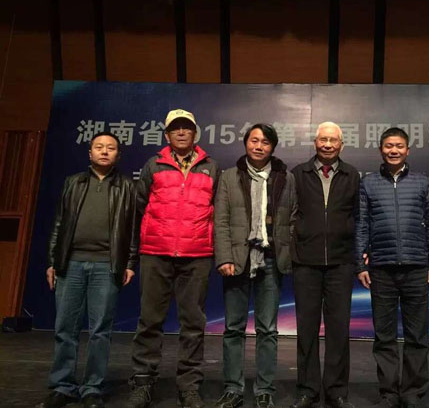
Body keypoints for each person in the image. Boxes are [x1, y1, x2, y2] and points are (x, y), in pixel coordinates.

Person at [37, 132, 137, 408]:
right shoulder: (73, 182)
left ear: (118, 154)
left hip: (106, 264)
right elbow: (59, 223)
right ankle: (62, 385)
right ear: (90, 152)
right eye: (99, 147)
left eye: (110, 148)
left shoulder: (127, 186)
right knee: (65, 328)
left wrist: (130, 262)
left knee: (100, 330)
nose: (104, 151)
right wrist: (53, 261)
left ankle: (92, 387)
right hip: (71, 264)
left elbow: (132, 228)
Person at [127, 109, 219, 408]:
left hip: (196, 255)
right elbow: (139, 207)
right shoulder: (153, 165)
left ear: (195, 133)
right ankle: (142, 383)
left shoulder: (211, 167)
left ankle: (189, 386)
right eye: (175, 128)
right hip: (156, 253)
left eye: (186, 128)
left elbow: (218, 211)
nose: (181, 132)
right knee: (149, 321)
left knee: (193, 324)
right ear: (167, 135)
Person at [356, 127, 429, 408]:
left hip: (417, 268)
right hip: (381, 269)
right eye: (389, 146)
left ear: (408, 150)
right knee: (384, 336)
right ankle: (389, 393)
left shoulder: (422, 182)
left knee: (417, 335)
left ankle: (412, 392)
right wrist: (360, 264)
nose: (394, 150)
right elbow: (362, 225)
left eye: (399, 146)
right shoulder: (368, 183)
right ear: (381, 149)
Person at [214, 124, 296, 408]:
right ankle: (233, 389)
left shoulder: (285, 177)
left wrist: (287, 249)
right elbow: (221, 220)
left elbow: (293, 218)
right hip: (238, 259)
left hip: (271, 259)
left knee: (268, 329)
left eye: (265, 142)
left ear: (273, 147)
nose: (259, 146)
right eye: (254, 140)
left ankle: (264, 390)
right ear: (245, 143)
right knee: (233, 328)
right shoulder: (229, 176)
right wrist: (224, 257)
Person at [290, 122, 360, 408]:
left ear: (341, 144)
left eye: (333, 140)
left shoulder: (352, 175)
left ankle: (336, 390)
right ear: (315, 142)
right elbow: (288, 214)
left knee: (338, 329)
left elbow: (359, 216)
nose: (328, 144)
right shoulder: (299, 173)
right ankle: (307, 389)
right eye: (323, 139)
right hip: (305, 262)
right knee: (306, 329)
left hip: (341, 263)